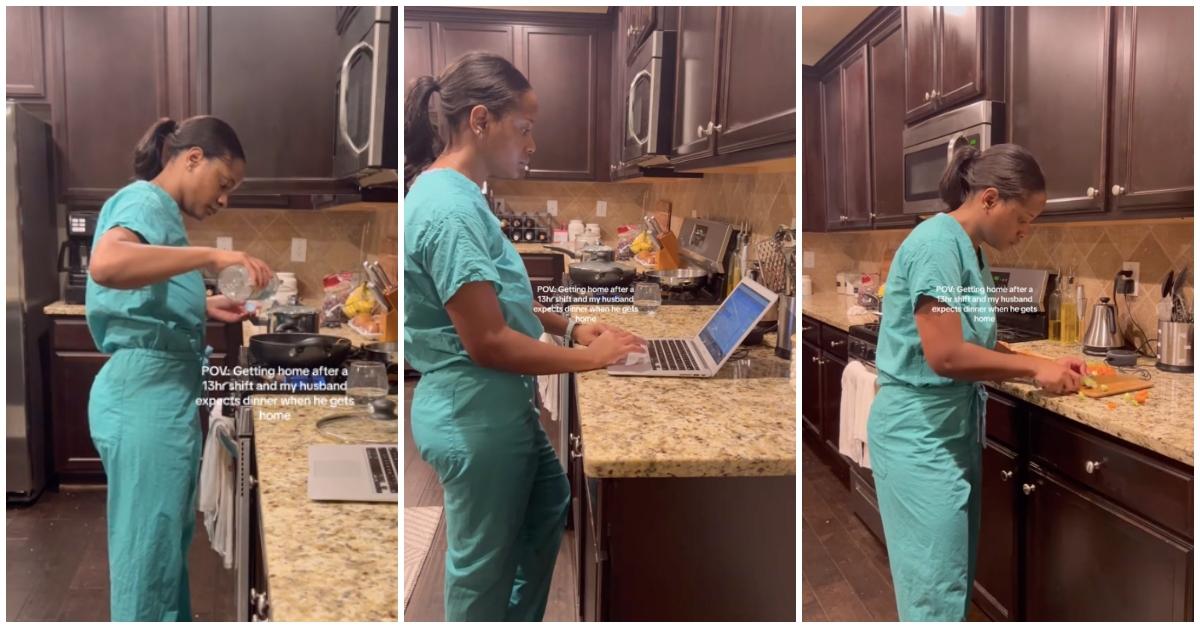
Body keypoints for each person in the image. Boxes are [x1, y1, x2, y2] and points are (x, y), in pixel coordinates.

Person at [404, 52, 645, 621]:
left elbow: (498, 301)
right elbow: (487, 339)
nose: (532, 144)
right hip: (474, 409)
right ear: (482, 120)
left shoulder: (464, 197)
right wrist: (588, 358)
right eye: (526, 128)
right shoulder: (448, 211)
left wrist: (571, 325)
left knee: (547, 502)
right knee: (480, 569)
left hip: (494, 402)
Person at [867, 144, 1087, 620]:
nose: (1026, 232)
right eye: (1023, 218)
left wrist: (1041, 361)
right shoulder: (935, 244)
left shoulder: (971, 252)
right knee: (934, 598)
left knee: (950, 583)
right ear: (990, 199)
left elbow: (974, 340)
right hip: (917, 435)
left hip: (949, 431)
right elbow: (945, 354)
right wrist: (1033, 369)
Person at [86, 116, 274, 620]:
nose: (224, 198)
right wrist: (213, 255)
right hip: (144, 395)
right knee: (147, 558)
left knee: (162, 548)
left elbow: (147, 294)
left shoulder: (161, 214)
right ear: (193, 158)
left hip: (158, 395)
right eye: (224, 183)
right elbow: (107, 264)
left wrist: (203, 306)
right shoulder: (145, 200)